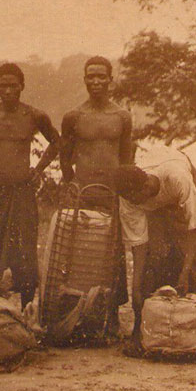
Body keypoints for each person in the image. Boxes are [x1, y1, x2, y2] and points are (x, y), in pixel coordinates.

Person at [115, 147, 196, 357]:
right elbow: (139, 247)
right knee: (155, 257)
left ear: (147, 184)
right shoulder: (129, 199)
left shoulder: (177, 178)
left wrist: (185, 271)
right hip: (157, 189)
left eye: (139, 200)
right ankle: (145, 329)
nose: (136, 204)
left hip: (180, 175)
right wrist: (136, 289)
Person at [0, 63, 60, 309]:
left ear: (22, 87)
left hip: (22, 190)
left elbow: (55, 142)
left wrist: (38, 170)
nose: (8, 90)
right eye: (3, 85)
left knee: (24, 248)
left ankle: (27, 307)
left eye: (13, 85)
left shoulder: (34, 115)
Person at [59, 56, 135, 331]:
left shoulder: (122, 116)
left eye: (101, 76)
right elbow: (65, 158)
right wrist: (71, 186)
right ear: (85, 80)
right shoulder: (74, 116)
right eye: (90, 76)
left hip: (111, 194)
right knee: (79, 251)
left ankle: (111, 315)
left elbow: (126, 158)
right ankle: (78, 313)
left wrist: (124, 192)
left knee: (112, 254)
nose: (96, 81)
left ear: (110, 80)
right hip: (83, 193)